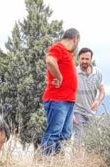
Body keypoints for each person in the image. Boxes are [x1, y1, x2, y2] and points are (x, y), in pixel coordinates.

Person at [40, 28, 80, 156]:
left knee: (65, 135)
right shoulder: (58, 47)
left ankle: (56, 162)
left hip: (68, 101)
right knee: (53, 133)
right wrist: (59, 77)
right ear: (75, 39)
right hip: (58, 99)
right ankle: (45, 162)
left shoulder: (68, 53)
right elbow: (50, 61)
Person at [73, 47, 105, 137]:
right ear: (79, 58)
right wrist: (71, 113)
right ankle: (77, 151)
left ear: (91, 59)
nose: (84, 61)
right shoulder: (74, 72)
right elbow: (68, 92)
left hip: (91, 112)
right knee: (79, 138)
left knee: (91, 139)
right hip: (77, 110)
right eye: (82, 58)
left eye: (87, 59)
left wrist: (98, 101)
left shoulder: (98, 73)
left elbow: (102, 91)